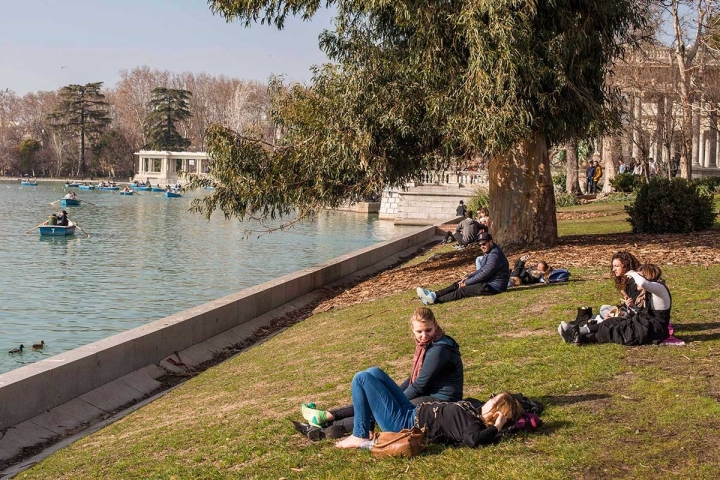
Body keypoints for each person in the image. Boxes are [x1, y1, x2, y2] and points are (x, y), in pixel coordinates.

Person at [297, 307, 463, 438]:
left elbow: (419, 385)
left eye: (428, 330)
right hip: (427, 393)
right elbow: (414, 379)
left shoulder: (439, 349)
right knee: (374, 373)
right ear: (412, 330)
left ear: (436, 326)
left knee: (382, 408)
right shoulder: (428, 345)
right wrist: (392, 393)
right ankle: (328, 416)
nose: (424, 335)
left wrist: (393, 398)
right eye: (419, 332)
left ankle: (329, 426)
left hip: (440, 401)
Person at [332, 366, 523, 449]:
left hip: (402, 423)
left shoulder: (473, 425)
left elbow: (473, 440)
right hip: (410, 411)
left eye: (493, 398)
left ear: (496, 411)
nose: (489, 398)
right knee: (374, 372)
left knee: (361, 378)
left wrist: (497, 426)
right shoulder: (474, 410)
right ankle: (367, 429)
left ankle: (360, 434)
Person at [559, 264, 671, 346]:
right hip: (644, 324)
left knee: (616, 331)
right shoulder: (647, 293)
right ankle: (577, 331)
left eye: (639, 277)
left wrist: (633, 273)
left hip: (653, 331)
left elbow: (642, 283)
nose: (635, 281)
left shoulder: (660, 289)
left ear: (648, 276)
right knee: (612, 322)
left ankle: (578, 337)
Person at [417, 232, 509, 304]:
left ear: (491, 242)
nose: (482, 247)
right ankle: (433, 295)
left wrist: (467, 282)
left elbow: (485, 274)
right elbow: (482, 270)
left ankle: (434, 301)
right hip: (488, 282)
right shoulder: (489, 252)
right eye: (480, 245)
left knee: (463, 290)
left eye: (484, 244)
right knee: (458, 283)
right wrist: (468, 278)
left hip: (494, 286)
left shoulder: (494, 255)